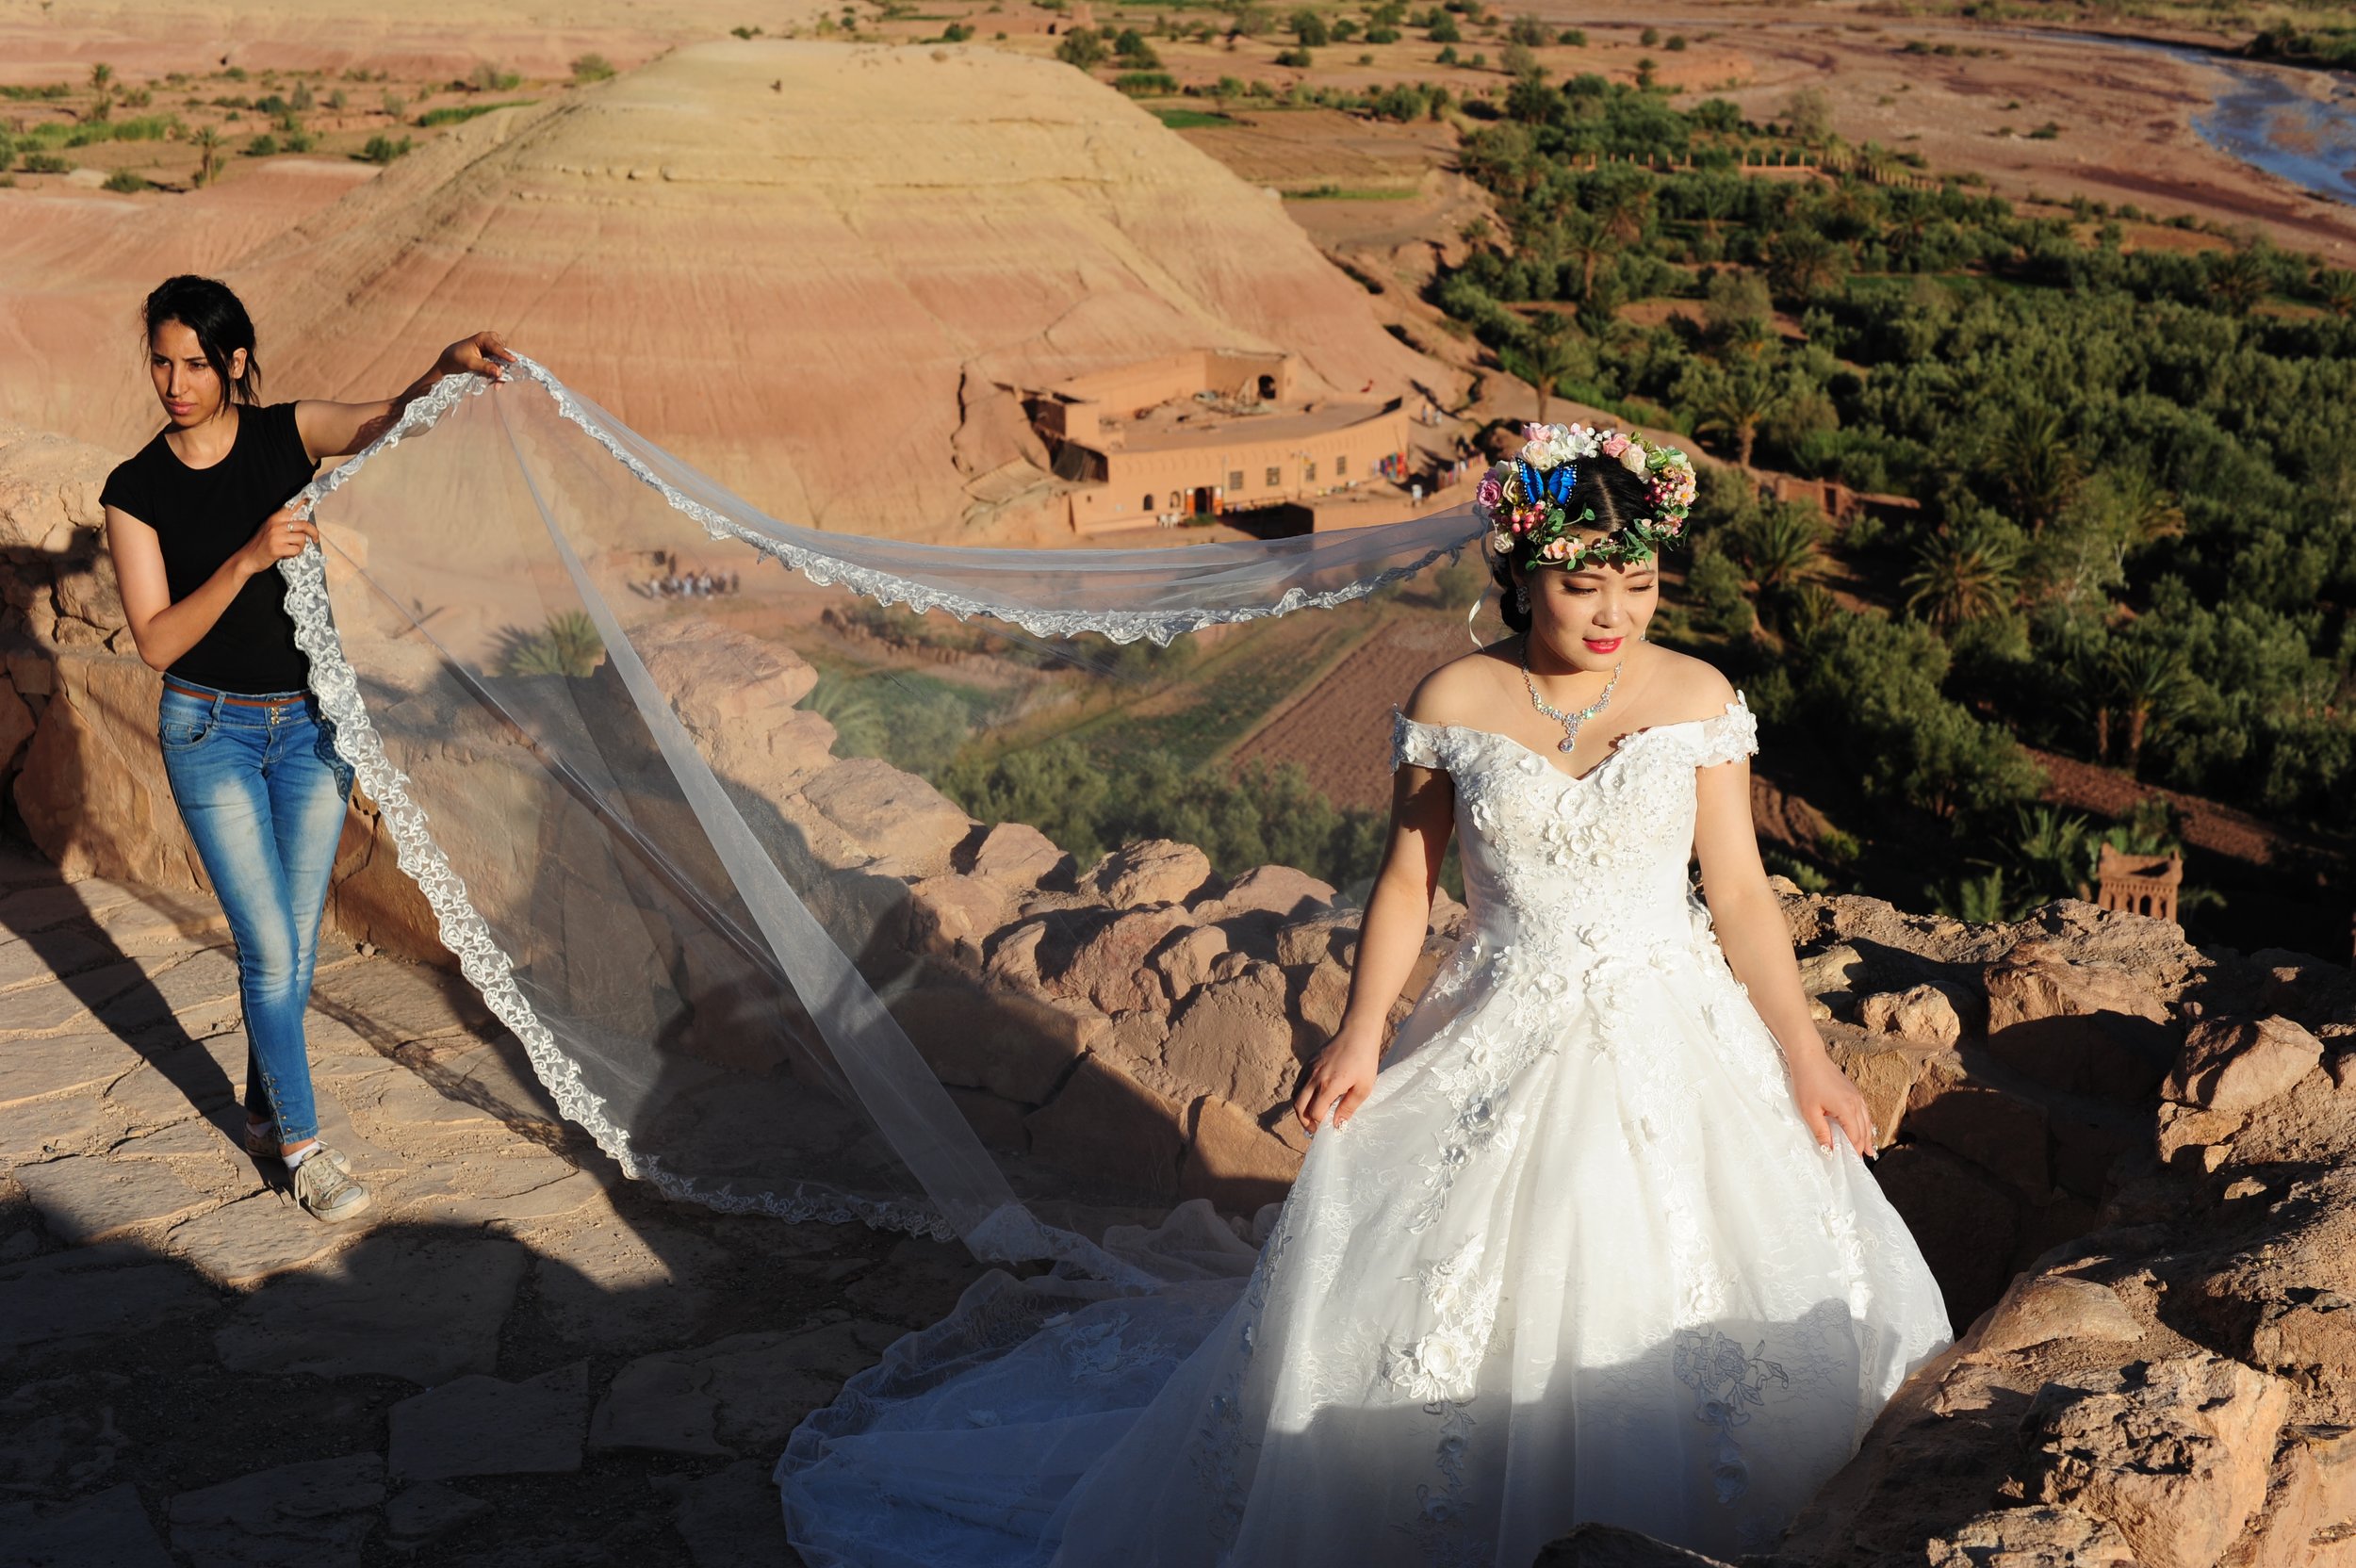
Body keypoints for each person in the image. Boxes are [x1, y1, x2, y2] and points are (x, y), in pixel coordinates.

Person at [776, 423, 1951, 1563]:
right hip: (1504, 1020)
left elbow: (1739, 896)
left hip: (1675, 1029)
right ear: (1521, 571)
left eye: (1637, 584)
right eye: (1583, 585)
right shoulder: (1451, 703)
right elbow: (1404, 883)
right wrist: (1357, 1030)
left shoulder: (1698, 698)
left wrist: (1802, 1052)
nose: (1612, 615)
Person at [98, 274, 512, 1223]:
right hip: (209, 731)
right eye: (161, 361)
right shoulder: (136, 489)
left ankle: (257, 1104)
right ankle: (304, 1147)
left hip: (310, 727)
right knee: (271, 951)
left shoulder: (285, 434)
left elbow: (380, 421)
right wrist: (247, 556)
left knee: (293, 943)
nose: (175, 381)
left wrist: (439, 367)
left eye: (194, 362)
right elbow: (157, 640)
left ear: (234, 361)